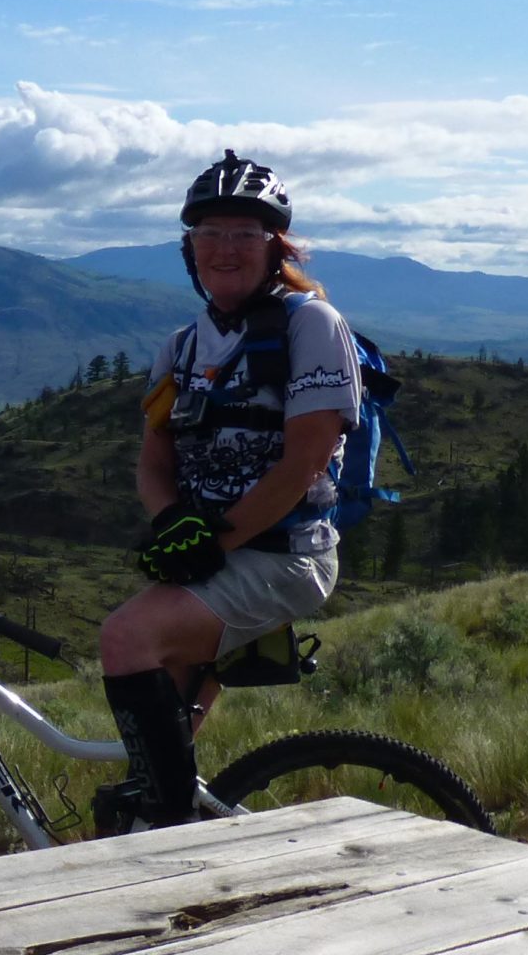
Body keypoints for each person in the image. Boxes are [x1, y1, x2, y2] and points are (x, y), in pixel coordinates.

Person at [96, 151, 361, 825]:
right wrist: (169, 523)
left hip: (283, 555)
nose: (225, 248)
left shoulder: (312, 327)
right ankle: (166, 835)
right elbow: (154, 461)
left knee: (126, 639)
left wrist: (212, 542)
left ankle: (169, 822)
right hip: (217, 557)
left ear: (275, 248)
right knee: (162, 754)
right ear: (189, 250)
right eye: (210, 234)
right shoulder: (181, 349)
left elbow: (301, 465)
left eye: (245, 233)